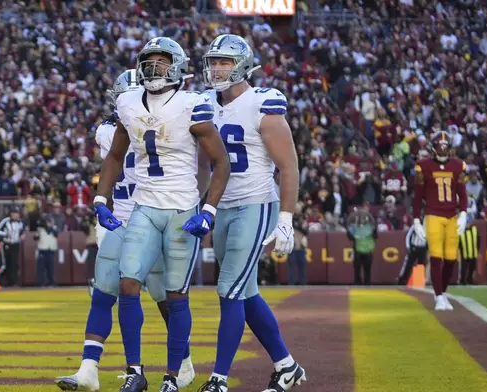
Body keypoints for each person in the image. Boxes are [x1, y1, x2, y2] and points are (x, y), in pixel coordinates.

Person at [94, 38, 231, 392]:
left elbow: (220, 162)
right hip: (144, 205)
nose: (154, 67)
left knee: (175, 295)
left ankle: (172, 376)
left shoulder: (192, 104)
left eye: (161, 60)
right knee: (128, 284)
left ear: (178, 66)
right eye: (149, 61)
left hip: (181, 209)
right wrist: (100, 198)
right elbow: (113, 156)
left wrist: (208, 210)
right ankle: (135, 372)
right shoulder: (127, 102)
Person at [55, 69, 196, 391]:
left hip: (154, 214)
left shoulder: (110, 130)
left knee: (165, 298)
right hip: (123, 219)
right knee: (105, 293)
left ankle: (182, 362)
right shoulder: (119, 129)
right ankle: (89, 369)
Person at [196, 34, 305, 392]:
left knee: (228, 290)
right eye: (213, 61)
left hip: (256, 204)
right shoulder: (204, 103)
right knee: (244, 292)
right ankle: (287, 367)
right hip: (222, 206)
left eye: (224, 62)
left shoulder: (262, 103)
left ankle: (218, 379)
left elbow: (288, 166)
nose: (216, 68)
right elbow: (203, 164)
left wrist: (286, 219)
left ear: (242, 64)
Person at [412, 131, 468, 311]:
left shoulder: (458, 165)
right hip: (433, 214)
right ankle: (438, 296)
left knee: (451, 258)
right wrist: (416, 220)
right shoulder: (423, 166)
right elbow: (418, 195)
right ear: (433, 148)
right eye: (439, 147)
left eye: (445, 147)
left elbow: (462, 191)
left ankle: (442, 293)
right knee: (436, 257)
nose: (443, 150)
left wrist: (464, 213)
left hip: (451, 215)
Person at [0, 206, 25, 287]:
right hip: (7, 244)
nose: (16, 215)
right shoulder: (6, 221)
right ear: (11, 214)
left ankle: (13, 282)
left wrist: (21, 235)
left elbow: (22, 230)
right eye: (14, 213)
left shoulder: (20, 222)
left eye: (17, 214)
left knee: (14, 264)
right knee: (6, 264)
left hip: (15, 244)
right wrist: (5, 235)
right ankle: (1, 281)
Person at [396, 215, 428, 285]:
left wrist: (427, 248)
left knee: (421, 265)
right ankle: (402, 281)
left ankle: (418, 282)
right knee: (409, 265)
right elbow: (408, 235)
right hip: (414, 247)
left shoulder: (429, 228)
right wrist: (408, 246)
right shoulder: (415, 226)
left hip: (422, 248)